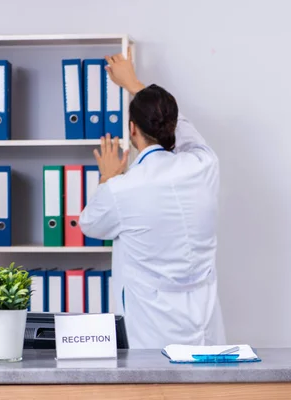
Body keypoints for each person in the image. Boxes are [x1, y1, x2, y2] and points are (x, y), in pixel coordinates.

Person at [79, 50, 226, 349]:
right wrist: (134, 83)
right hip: (204, 330)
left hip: (151, 334)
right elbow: (185, 129)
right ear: (171, 124)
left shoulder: (120, 190)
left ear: (131, 129)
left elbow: (90, 224)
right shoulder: (204, 164)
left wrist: (107, 176)